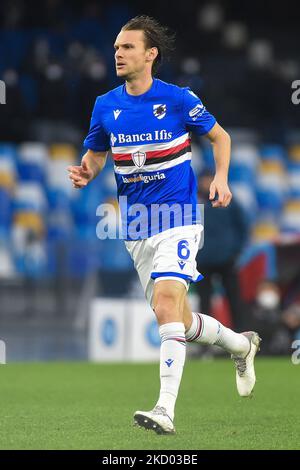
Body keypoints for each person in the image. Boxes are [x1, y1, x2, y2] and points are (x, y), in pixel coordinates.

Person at [68, 15, 261, 435]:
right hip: (137, 225)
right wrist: (87, 171)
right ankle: (242, 345)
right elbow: (97, 154)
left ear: (150, 54)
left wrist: (222, 177)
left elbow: (220, 137)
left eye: (128, 47)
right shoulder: (105, 105)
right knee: (177, 318)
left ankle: (165, 409)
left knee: (168, 304)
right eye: (117, 47)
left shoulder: (177, 99)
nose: (118, 53)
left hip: (179, 217)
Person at [196, 168, 250, 330]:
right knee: (204, 303)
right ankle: (206, 342)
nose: (206, 184)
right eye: (203, 180)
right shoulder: (194, 202)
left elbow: (243, 228)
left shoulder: (228, 201)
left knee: (234, 300)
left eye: (208, 180)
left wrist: (236, 251)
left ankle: (241, 336)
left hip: (227, 259)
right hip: (203, 260)